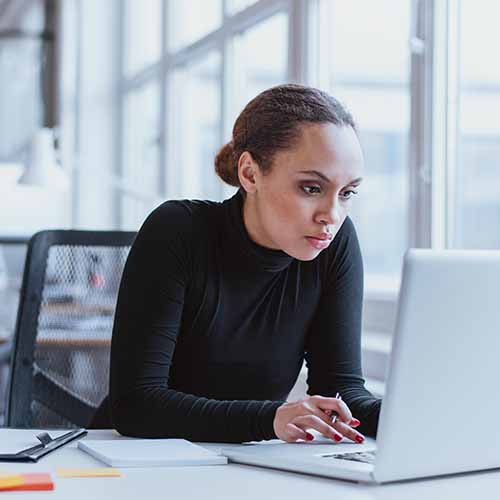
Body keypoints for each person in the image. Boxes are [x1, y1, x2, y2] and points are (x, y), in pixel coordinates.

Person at [104, 83, 381, 444]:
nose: (332, 215)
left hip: (245, 464)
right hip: (137, 461)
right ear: (250, 174)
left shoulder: (335, 245)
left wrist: (425, 414)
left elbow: (342, 394)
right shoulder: (177, 230)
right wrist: (269, 420)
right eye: (312, 188)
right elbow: (135, 405)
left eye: (346, 193)